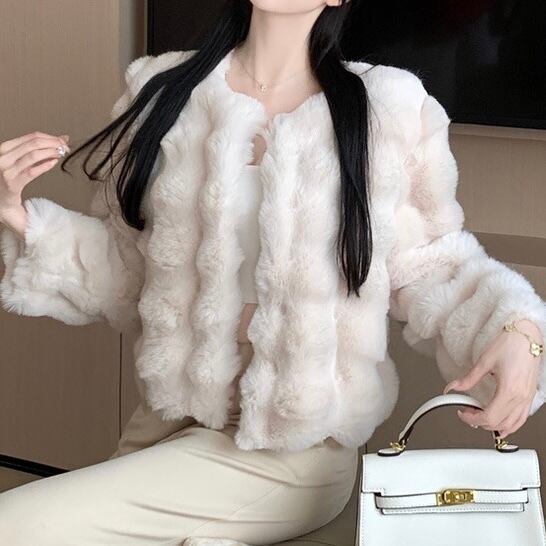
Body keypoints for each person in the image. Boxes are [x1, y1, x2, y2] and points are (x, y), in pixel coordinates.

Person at [0, 0, 544, 544]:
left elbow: (431, 266)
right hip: (166, 425)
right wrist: (20, 220)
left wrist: (520, 330)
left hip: (296, 447)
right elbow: (128, 273)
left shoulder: (388, 108)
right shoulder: (161, 90)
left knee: (17, 525)